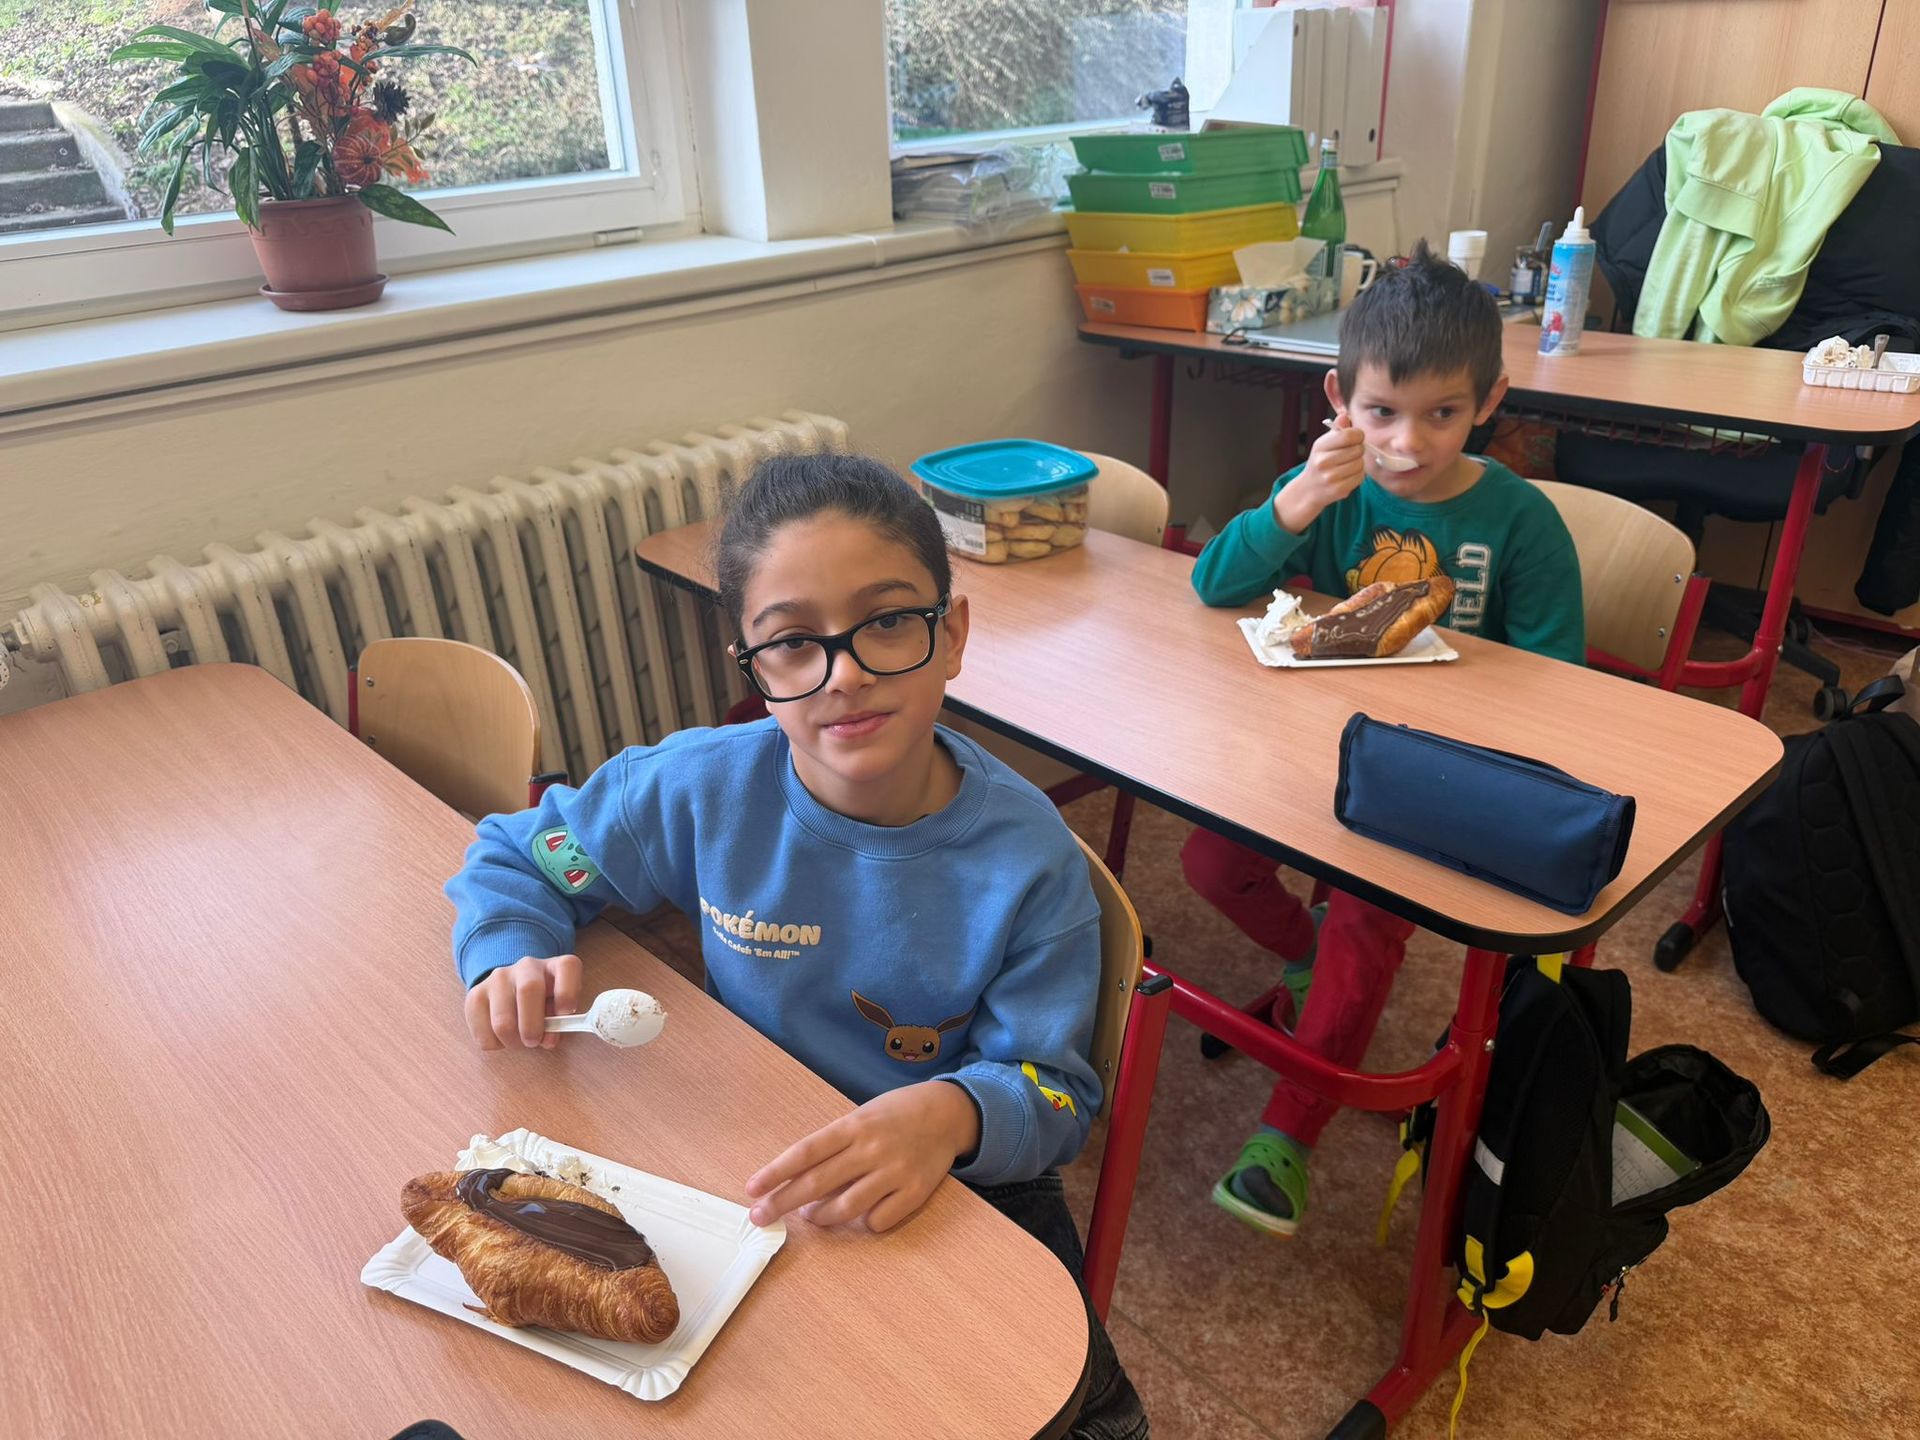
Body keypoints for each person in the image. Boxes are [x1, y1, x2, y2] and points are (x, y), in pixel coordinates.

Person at [446, 451, 1147, 1437]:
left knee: (1064, 1401)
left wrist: (953, 1114)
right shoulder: (701, 787)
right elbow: (528, 853)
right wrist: (511, 947)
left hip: (965, 1166)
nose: (844, 674)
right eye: (792, 643)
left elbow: (1055, 1091)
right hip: (761, 1139)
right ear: (751, 664)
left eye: (888, 621)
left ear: (952, 634)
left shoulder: (1028, 859)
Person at [1187, 239, 1585, 1237]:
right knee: (1209, 863)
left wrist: (1472, 698)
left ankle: (1288, 1135)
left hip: (1431, 775)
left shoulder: (1522, 521)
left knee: (1367, 921)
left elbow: (1561, 687)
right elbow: (1214, 586)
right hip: (1309, 748)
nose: (1407, 443)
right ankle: (1306, 955)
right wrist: (1292, 506)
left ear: (1489, 403)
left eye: (1442, 414)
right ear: (1339, 400)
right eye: (1382, 413)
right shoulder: (1329, 490)